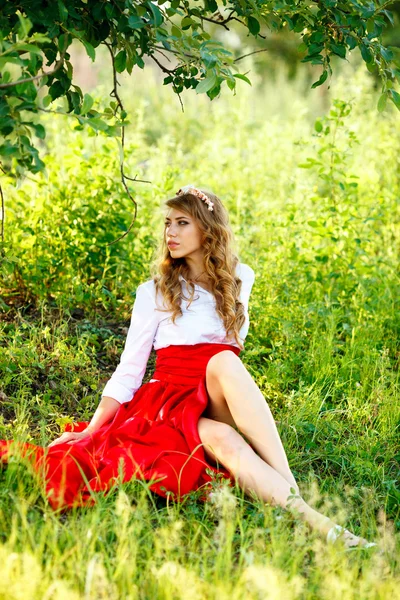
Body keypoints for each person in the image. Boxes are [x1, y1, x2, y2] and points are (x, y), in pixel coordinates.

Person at [0, 184, 376, 550]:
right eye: (168, 222)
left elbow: (231, 346)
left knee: (224, 359)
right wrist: (94, 429)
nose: (170, 232)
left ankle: (288, 484)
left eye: (182, 223)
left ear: (207, 230)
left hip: (215, 390)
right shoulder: (154, 291)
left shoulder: (239, 278)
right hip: (168, 401)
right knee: (223, 439)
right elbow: (130, 370)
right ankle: (325, 527)